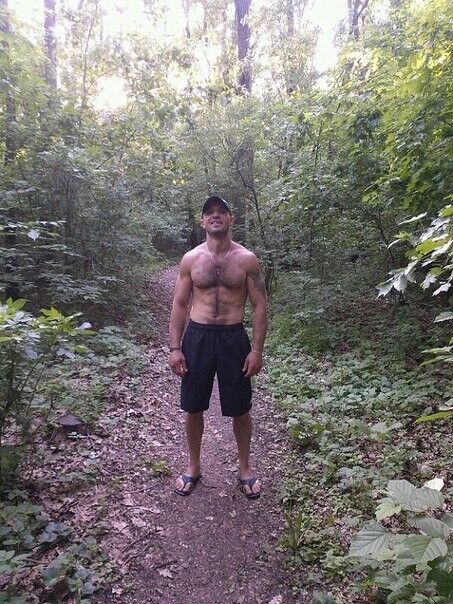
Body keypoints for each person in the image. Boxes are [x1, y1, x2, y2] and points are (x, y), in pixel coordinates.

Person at [168, 195, 267, 499]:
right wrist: (175, 348)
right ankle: (194, 466)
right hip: (197, 338)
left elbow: (260, 305)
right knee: (193, 406)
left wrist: (256, 350)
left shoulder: (246, 259)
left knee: (241, 408)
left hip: (233, 338)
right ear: (202, 221)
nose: (215, 215)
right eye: (209, 212)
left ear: (230, 218)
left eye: (221, 211)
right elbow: (180, 304)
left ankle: (245, 468)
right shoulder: (191, 259)